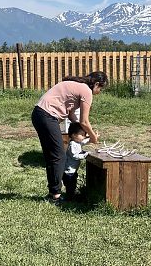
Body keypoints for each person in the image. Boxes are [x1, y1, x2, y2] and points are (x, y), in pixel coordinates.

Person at [31, 71, 108, 203]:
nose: (99, 91)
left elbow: (73, 118)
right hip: (48, 116)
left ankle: (53, 192)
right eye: (101, 88)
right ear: (96, 84)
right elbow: (84, 121)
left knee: (52, 155)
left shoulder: (76, 85)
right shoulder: (86, 91)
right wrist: (93, 136)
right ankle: (55, 195)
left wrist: (82, 133)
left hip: (39, 114)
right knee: (59, 156)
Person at [63, 122, 91, 199]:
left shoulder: (77, 142)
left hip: (72, 171)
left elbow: (84, 142)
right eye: (82, 135)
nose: (84, 137)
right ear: (74, 135)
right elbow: (75, 156)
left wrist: (90, 139)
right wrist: (85, 154)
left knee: (73, 184)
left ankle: (71, 196)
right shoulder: (72, 144)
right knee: (70, 185)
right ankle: (69, 198)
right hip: (68, 172)